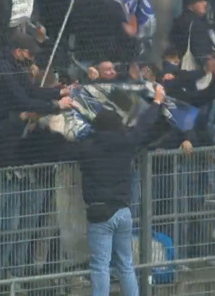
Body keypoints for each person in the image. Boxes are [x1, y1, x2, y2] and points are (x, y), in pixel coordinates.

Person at [64, 94, 164, 296]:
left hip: (99, 212)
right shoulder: (126, 143)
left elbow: (74, 137)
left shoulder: (87, 147)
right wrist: (157, 102)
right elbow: (143, 126)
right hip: (123, 211)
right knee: (125, 264)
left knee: (100, 265)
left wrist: (71, 108)